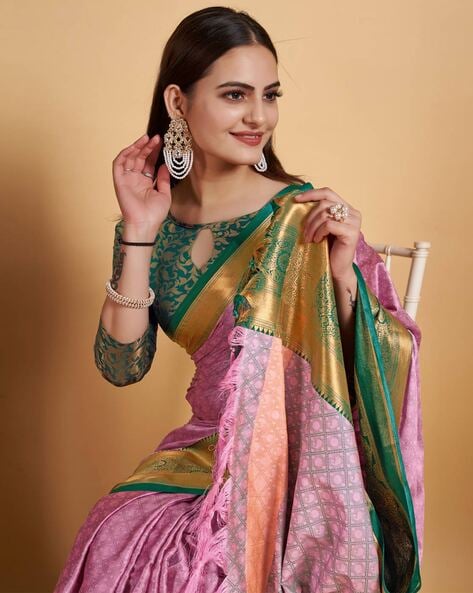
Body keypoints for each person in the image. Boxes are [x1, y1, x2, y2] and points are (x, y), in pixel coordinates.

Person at [54, 6, 424, 593]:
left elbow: (381, 364)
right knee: (114, 531)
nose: (259, 116)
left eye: (270, 95)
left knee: (193, 565)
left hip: (298, 463)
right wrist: (140, 230)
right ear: (178, 103)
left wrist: (344, 278)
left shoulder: (300, 218)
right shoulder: (156, 216)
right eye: (235, 95)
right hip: (201, 453)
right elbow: (122, 364)